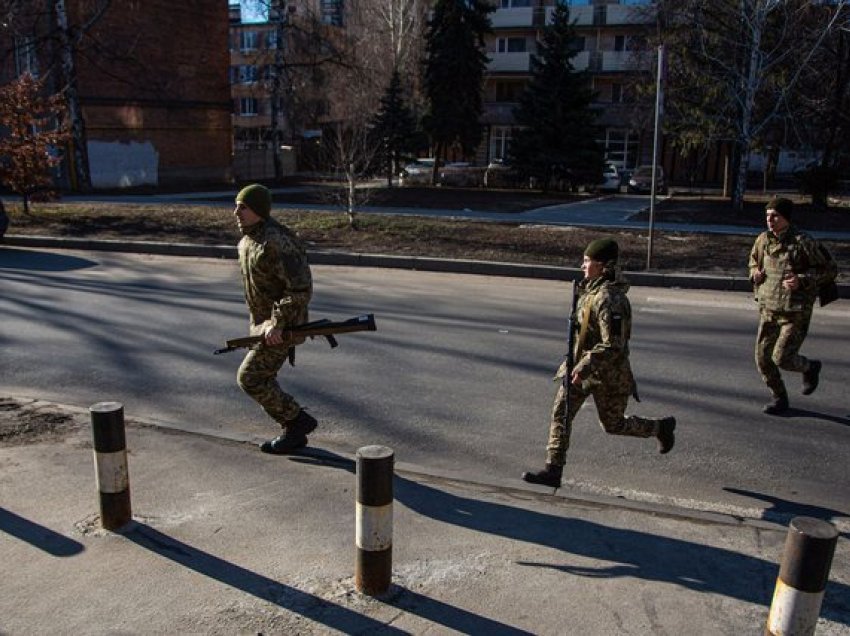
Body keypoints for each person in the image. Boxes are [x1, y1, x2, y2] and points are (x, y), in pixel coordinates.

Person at [522, 238, 676, 489]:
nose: (582, 265)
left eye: (587, 261)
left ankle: (661, 428)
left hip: (607, 374)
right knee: (561, 411)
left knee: (613, 425)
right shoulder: (590, 290)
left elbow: (614, 344)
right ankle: (553, 470)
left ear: (602, 266)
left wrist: (584, 366)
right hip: (580, 370)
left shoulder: (610, 299)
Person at [233, 183, 317, 454]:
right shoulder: (248, 241)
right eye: (236, 206)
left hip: (284, 326)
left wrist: (278, 322)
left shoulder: (277, 241)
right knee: (260, 376)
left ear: (258, 209)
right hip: (264, 326)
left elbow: (301, 288)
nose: (236, 212)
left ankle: (296, 421)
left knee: (250, 378)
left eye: (243, 207)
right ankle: (295, 428)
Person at [748, 196, 832, 415]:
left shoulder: (803, 242)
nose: (770, 220)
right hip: (768, 308)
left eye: (775, 216)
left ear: (786, 218)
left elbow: (830, 269)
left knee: (781, 358)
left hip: (795, 312)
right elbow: (753, 262)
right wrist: (754, 274)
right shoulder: (763, 240)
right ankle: (779, 398)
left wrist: (802, 279)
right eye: (768, 216)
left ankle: (810, 367)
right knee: (763, 359)